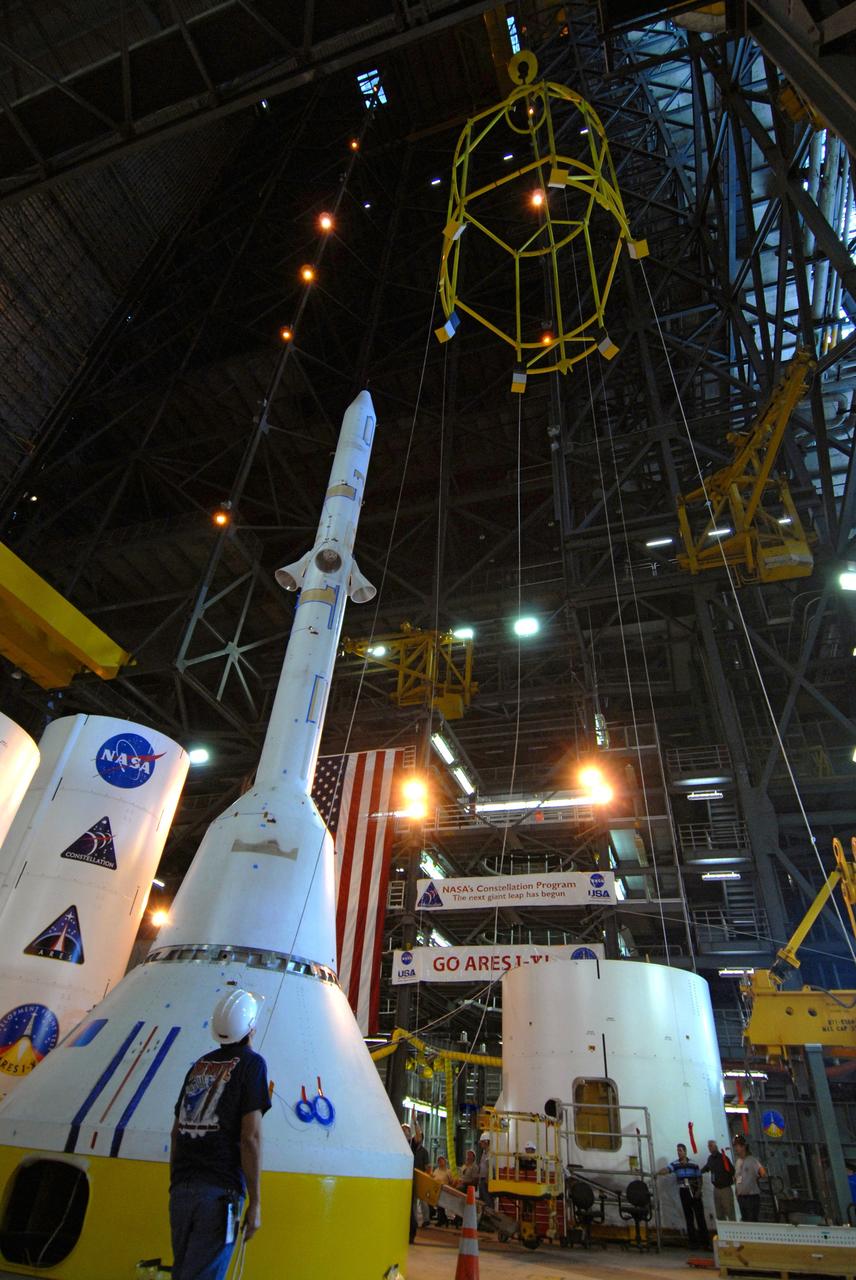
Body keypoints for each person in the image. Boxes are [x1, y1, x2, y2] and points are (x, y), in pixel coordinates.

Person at [170, 988, 270, 1280]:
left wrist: (177, 1182)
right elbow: (250, 1137)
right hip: (220, 1195)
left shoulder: (199, 1065)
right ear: (251, 1027)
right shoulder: (253, 1065)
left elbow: (177, 1133)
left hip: (181, 1191)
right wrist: (256, 1201)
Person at [659, 1142, 709, 1249]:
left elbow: (699, 1177)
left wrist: (699, 1190)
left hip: (694, 1191)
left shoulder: (693, 1163)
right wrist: (658, 1173)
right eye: (677, 1151)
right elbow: (667, 1170)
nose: (678, 1153)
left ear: (685, 1152)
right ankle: (693, 1242)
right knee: (688, 1217)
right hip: (684, 1191)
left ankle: (705, 1242)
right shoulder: (675, 1164)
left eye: (680, 1151)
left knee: (700, 1217)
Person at [702, 1139, 736, 1221]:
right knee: (719, 1213)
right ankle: (723, 1232)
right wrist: (698, 1172)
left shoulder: (723, 1158)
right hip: (716, 1189)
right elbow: (706, 1168)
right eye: (708, 1146)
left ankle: (733, 1232)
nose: (709, 1148)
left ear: (716, 1146)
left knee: (729, 1212)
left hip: (725, 1189)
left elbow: (732, 1171)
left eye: (711, 1145)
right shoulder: (710, 1159)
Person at [733, 1136, 766, 1221]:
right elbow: (738, 1177)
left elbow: (762, 1173)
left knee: (752, 1221)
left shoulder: (752, 1160)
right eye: (735, 1146)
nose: (735, 1148)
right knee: (745, 1220)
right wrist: (737, 1191)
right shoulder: (738, 1161)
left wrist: (753, 1179)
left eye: (737, 1146)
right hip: (741, 1198)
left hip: (751, 1197)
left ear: (743, 1146)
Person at [432, 1155, 452, 1226]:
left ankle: (442, 1219)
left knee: (440, 1199)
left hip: (445, 1191)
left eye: (441, 1160)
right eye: (439, 1160)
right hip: (436, 1190)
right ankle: (442, 1218)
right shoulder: (436, 1170)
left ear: (445, 1161)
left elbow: (451, 1182)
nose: (440, 1162)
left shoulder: (448, 1171)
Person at [477, 1132, 494, 1208]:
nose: (480, 1144)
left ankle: (490, 1215)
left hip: (486, 1180)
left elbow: (490, 1167)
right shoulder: (484, 1152)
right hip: (482, 1179)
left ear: (486, 1142)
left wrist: (488, 1179)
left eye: (482, 1142)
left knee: (487, 1200)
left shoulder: (490, 1153)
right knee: (482, 1200)